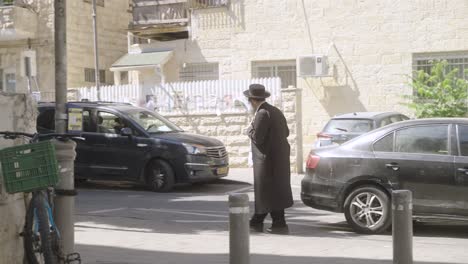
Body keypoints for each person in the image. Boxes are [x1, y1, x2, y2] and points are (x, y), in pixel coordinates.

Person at [245, 83, 293, 235]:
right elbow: (286, 132)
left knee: (265, 192)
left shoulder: (262, 114)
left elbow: (257, 138)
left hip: (266, 161)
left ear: (252, 101)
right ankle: (278, 223)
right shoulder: (275, 111)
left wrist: (249, 130)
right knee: (274, 192)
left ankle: (257, 222)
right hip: (278, 159)